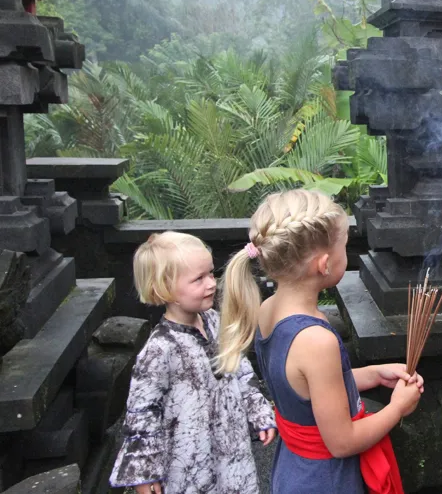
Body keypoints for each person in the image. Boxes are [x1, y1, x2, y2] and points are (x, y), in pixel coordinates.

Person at [217, 189, 424, 494]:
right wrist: (396, 409)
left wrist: (375, 374)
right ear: (324, 264)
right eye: (345, 246)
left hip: (293, 469)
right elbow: (343, 442)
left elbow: (310, 389)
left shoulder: (268, 309)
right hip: (324, 479)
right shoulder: (316, 340)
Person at [110, 231, 276, 494]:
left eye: (210, 273)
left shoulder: (214, 321)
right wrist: (145, 474)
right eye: (198, 279)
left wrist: (258, 411)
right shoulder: (160, 349)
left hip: (230, 450)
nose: (211, 283)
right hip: (188, 461)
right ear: (163, 288)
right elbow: (142, 414)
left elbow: (239, 370)